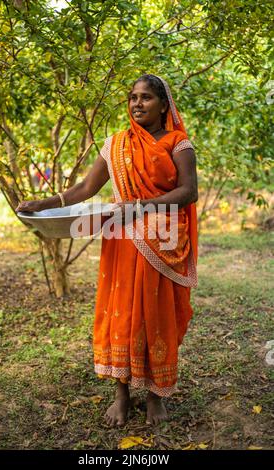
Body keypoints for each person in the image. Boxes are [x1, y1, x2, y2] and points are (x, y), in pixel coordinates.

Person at [16, 74, 198, 427]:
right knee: (122, 312)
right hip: (122, 240)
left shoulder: (179, 144)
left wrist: (143, 206)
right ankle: (121, 394)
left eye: (146, 97)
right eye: (132, 97)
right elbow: (86, 187)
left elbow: (188, 192)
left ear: (164, 105)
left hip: (163, 239)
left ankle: (156, 395)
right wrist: (43, 203)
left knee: (156, 314)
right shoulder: (116, 144)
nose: (137, 103)